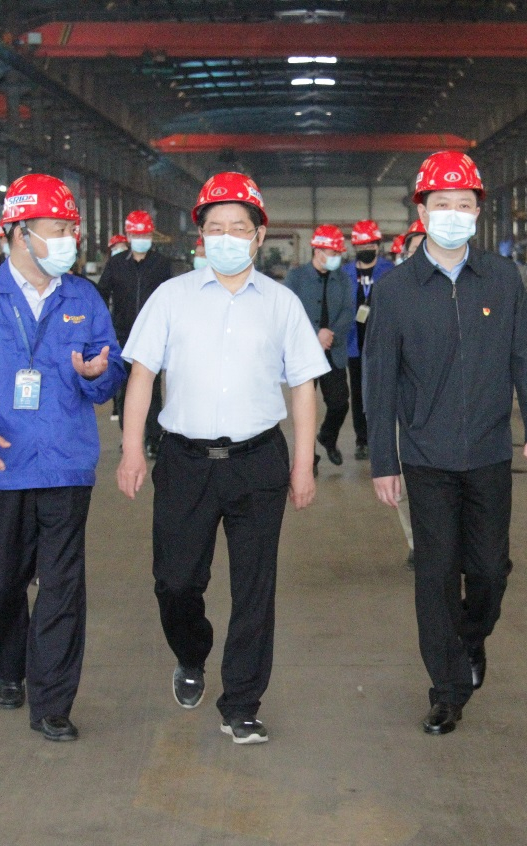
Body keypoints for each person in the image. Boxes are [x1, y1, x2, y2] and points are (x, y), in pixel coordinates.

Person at [116, 171, 327, 745]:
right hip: (184, 462)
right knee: (175, 581)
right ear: (201, 236)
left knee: (255, 588)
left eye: (239, 227)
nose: (227, 237)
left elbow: (303, 387)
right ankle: (191, 653)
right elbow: (142, 376)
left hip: (257, 461)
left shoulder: (281, 305)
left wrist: (302, 464)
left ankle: (242, 703)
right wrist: (132, 449)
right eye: (216, 227)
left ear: (259, 236)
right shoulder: (171, 298)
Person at [364, 150, 527, 735]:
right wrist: (383, 460)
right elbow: (379, 381)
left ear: (477, 212)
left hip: (490, 452)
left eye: (464, 204)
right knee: (436, 573)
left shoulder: (501, 278)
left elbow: (526, 354)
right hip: (426, 456)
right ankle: (446, 690)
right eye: (441, 203)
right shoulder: (396, 290)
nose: (453, 213)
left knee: (490, 570)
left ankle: (471, 638)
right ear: (422, 212)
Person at [0, 173, 125, 742]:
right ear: (20, 232)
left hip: (66, 463)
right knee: (2, 583)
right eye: (58, 228)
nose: (70, 239)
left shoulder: (82, 298)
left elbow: (110, 369)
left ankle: (53, 703)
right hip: (1, 466)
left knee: (62, 585)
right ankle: (8, 667)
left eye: (71, 228)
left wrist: (98, 375)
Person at [97, 210, 173, 454]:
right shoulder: (116, 264)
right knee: (124, 388)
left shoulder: (161, 264)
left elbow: (171, 299)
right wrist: (104, 326)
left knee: (152, 389)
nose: (141, 239)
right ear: (129, 236)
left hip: (153, 336)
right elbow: (101, 293)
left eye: (145, 235)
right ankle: (129, 436)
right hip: (122, 335)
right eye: (137, 235)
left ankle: (154, 438)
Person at [284, 225, 353, 472]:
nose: (336, 257)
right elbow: (288, 312)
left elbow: (348, 311)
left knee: (339, 403)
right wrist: (315, 334)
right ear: (318, 251)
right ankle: (308, 458)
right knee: (305, 408)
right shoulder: (296, 278)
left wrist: (329, 335)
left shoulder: (343, 279)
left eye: (338, 252)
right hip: (304, 352)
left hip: (333, 350)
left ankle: (328, 436)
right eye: (332, 252)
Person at [344, 219, 394, 461]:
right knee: (358, 393)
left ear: (378, 245)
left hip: (382, 342)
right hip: (354, 343)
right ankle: (362, 440)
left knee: (382, 392)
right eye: (362, 245)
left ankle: (381, 438)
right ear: (355, 246)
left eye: (371, 245)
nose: (366, 249)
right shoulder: (344, 273)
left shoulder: (389, 270)